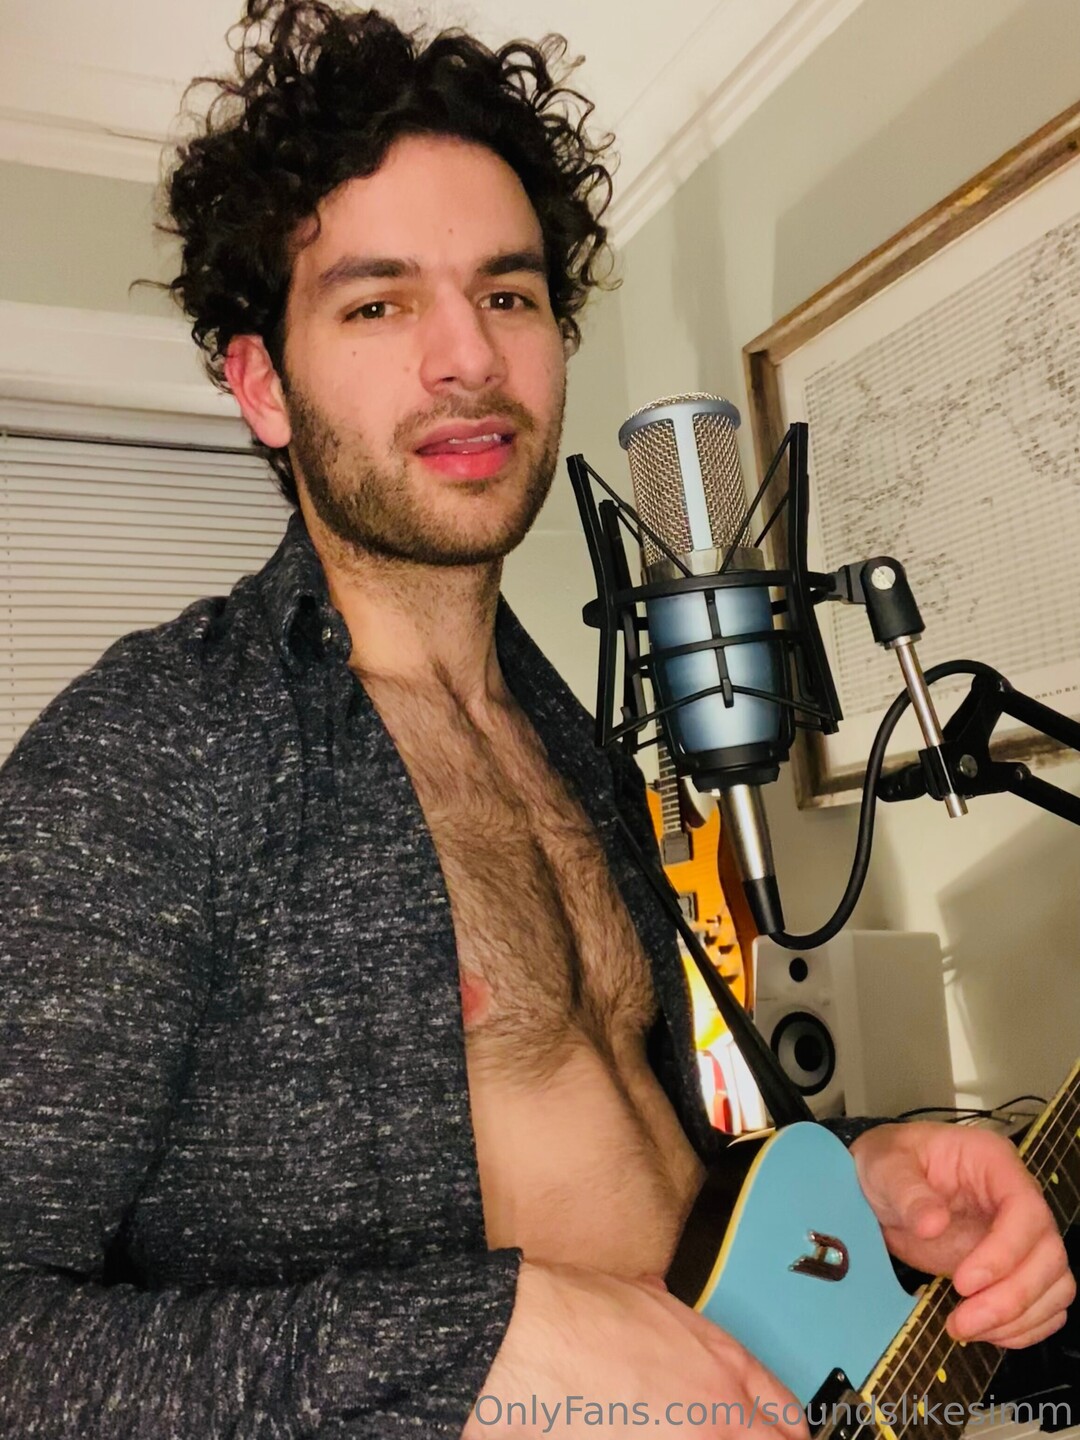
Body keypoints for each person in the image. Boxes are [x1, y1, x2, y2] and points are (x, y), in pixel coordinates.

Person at [0, 3, 1072, 1436]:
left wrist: (868, 1183)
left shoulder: (565, 734)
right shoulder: (151, 753)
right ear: (261, 383)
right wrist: (467, 1345)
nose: (467, 358)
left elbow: (655, 1160)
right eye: (378, 304)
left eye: (507, 295)